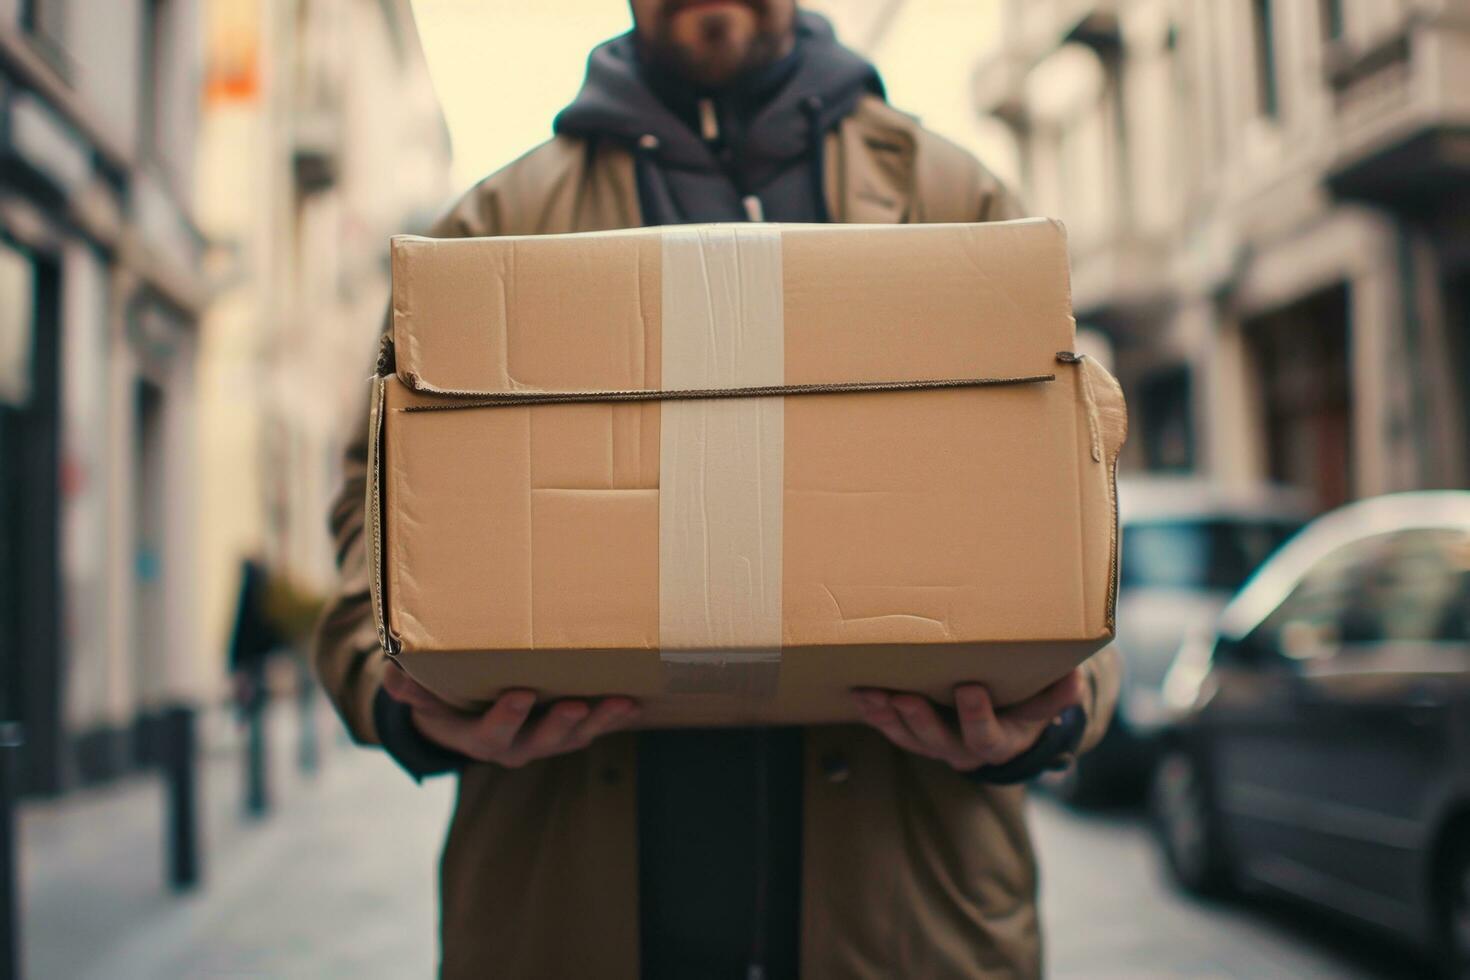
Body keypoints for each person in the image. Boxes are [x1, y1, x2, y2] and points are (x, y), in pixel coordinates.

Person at [314, 2, 1121, 977]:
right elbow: (376, 497)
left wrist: (1057, 712)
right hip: (565, 916)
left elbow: (1083, 502)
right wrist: (403, 696)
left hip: (910, 920)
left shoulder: (950, 201)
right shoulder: (498, 224)